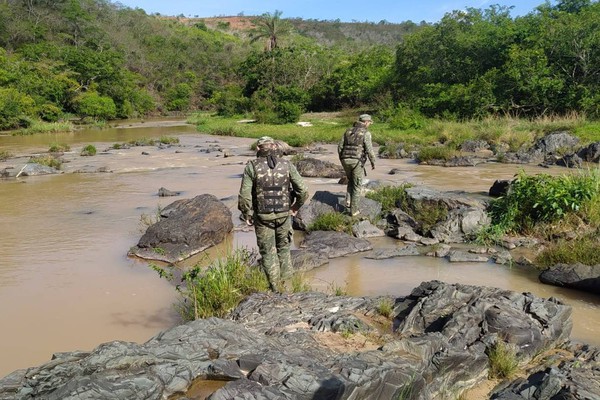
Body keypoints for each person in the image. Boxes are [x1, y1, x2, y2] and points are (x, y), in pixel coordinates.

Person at [238, 136, 308, 292]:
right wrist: (295, 206)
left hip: (263, 217)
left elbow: (244, 195)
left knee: (268, 253)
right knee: (284, 249)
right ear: (275, 147)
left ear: (258, 148)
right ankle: (288, 287)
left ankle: (276, 288)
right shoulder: (287, 165)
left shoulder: (251, 166)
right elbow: (303, 190)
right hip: (284, 215)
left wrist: (247, 214)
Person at [338, 113, 376, 216]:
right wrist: (373, 162)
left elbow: (340, 147)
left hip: (345, 160)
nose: (369, 125)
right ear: (366, 122)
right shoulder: (366, 133)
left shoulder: (347, 131)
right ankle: (354, 211)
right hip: (357, 161)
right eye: (369, 123)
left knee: (351, 180)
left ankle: (348, 201)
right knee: (357, 184)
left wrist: (342, 159)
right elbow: (369, 150)